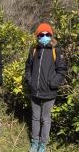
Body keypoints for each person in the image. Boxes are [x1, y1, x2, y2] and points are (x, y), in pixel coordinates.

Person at [25, 23, 67, 152]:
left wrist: (53, 83)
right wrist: (30, 80)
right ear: (38, 36)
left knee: (45, 119)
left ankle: (43, 144)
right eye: (41, 34)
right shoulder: (34, 49)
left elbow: (62, 70)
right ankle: (35, 142)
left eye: (47, 34)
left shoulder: (56, 50)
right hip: (35, 91)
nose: (44, 36)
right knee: (35, 118)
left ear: (51, 35)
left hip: (49, 92)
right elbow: (28, 67)